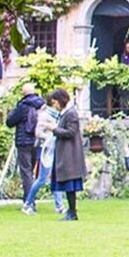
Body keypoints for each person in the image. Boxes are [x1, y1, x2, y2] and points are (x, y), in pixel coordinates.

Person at [47, 89, 85, 221]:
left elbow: (71, 132)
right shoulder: (65, 114)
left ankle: (72, 211)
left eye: (55, 102)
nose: (55, 106)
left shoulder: (71, 114)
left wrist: (54, 129)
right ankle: (71, 211)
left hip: (70, 155)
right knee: (68, 185)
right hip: (65, 153)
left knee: (70, 185)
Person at [5, 84, 45, 210]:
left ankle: (29, 201)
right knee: (32, 171)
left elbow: (10, 122)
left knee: (26, 171)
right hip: (37, 141)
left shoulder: (23, 106)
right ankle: (29, 199)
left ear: (23, 93)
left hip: (24, 142)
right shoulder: (42, 105)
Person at [24, 95, 64, 215]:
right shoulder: (44, 115)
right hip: (45, 150)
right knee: (42, 178)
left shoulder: (57, 115)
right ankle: (28, 203)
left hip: (54, 149)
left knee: (55, 177)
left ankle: (59, 205)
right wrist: (51, 136)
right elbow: (38, 133)